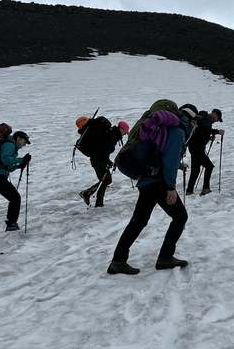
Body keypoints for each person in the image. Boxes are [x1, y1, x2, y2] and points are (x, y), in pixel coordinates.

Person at [108, 104, 198, 275]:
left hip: (146, 180)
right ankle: (165, 257)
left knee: (138, 221)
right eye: (195, 122)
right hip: (159, 183)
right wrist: (170, 187)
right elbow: (169, 160)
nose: (195, 125)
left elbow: (162, 155)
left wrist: (178, 165)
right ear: (190, 119)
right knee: (180, 217)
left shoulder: (166, 128)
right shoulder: (178, 131)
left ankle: (118, 260)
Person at [80, 119, 130, 208]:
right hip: (98, 160)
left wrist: (107, 160)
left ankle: (95, 200)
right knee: (106, 180)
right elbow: (103, 150)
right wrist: (107, 161)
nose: (125, 134)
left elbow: (103, 149)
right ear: (121, 129)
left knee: (105, 180)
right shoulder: (112, 135)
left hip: (98, 160)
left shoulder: (111, 134)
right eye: (125, 132)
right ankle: (90, 196)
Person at [186, 108, 223, 195]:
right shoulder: (205, 117)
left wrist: (209, 137)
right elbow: (205, 128)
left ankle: (189, 190)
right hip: (197, 148)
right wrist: (216, 131)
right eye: (217, 118)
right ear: (214, 113)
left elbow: (201, 131)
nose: (216, 121)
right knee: (209, 166)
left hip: (194, 148)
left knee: (196, 170)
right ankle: (205, 189)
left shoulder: (206, 119)